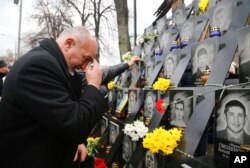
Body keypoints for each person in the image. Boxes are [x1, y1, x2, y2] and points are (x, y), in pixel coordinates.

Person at [0, 26, 140, 168]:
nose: (86, 67)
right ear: (68, 44)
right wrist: (93, 84)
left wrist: (76, 143)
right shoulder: (38, 66)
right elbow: (75, 125)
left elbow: (57, 116)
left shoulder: (54, 64)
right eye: (86, 58)